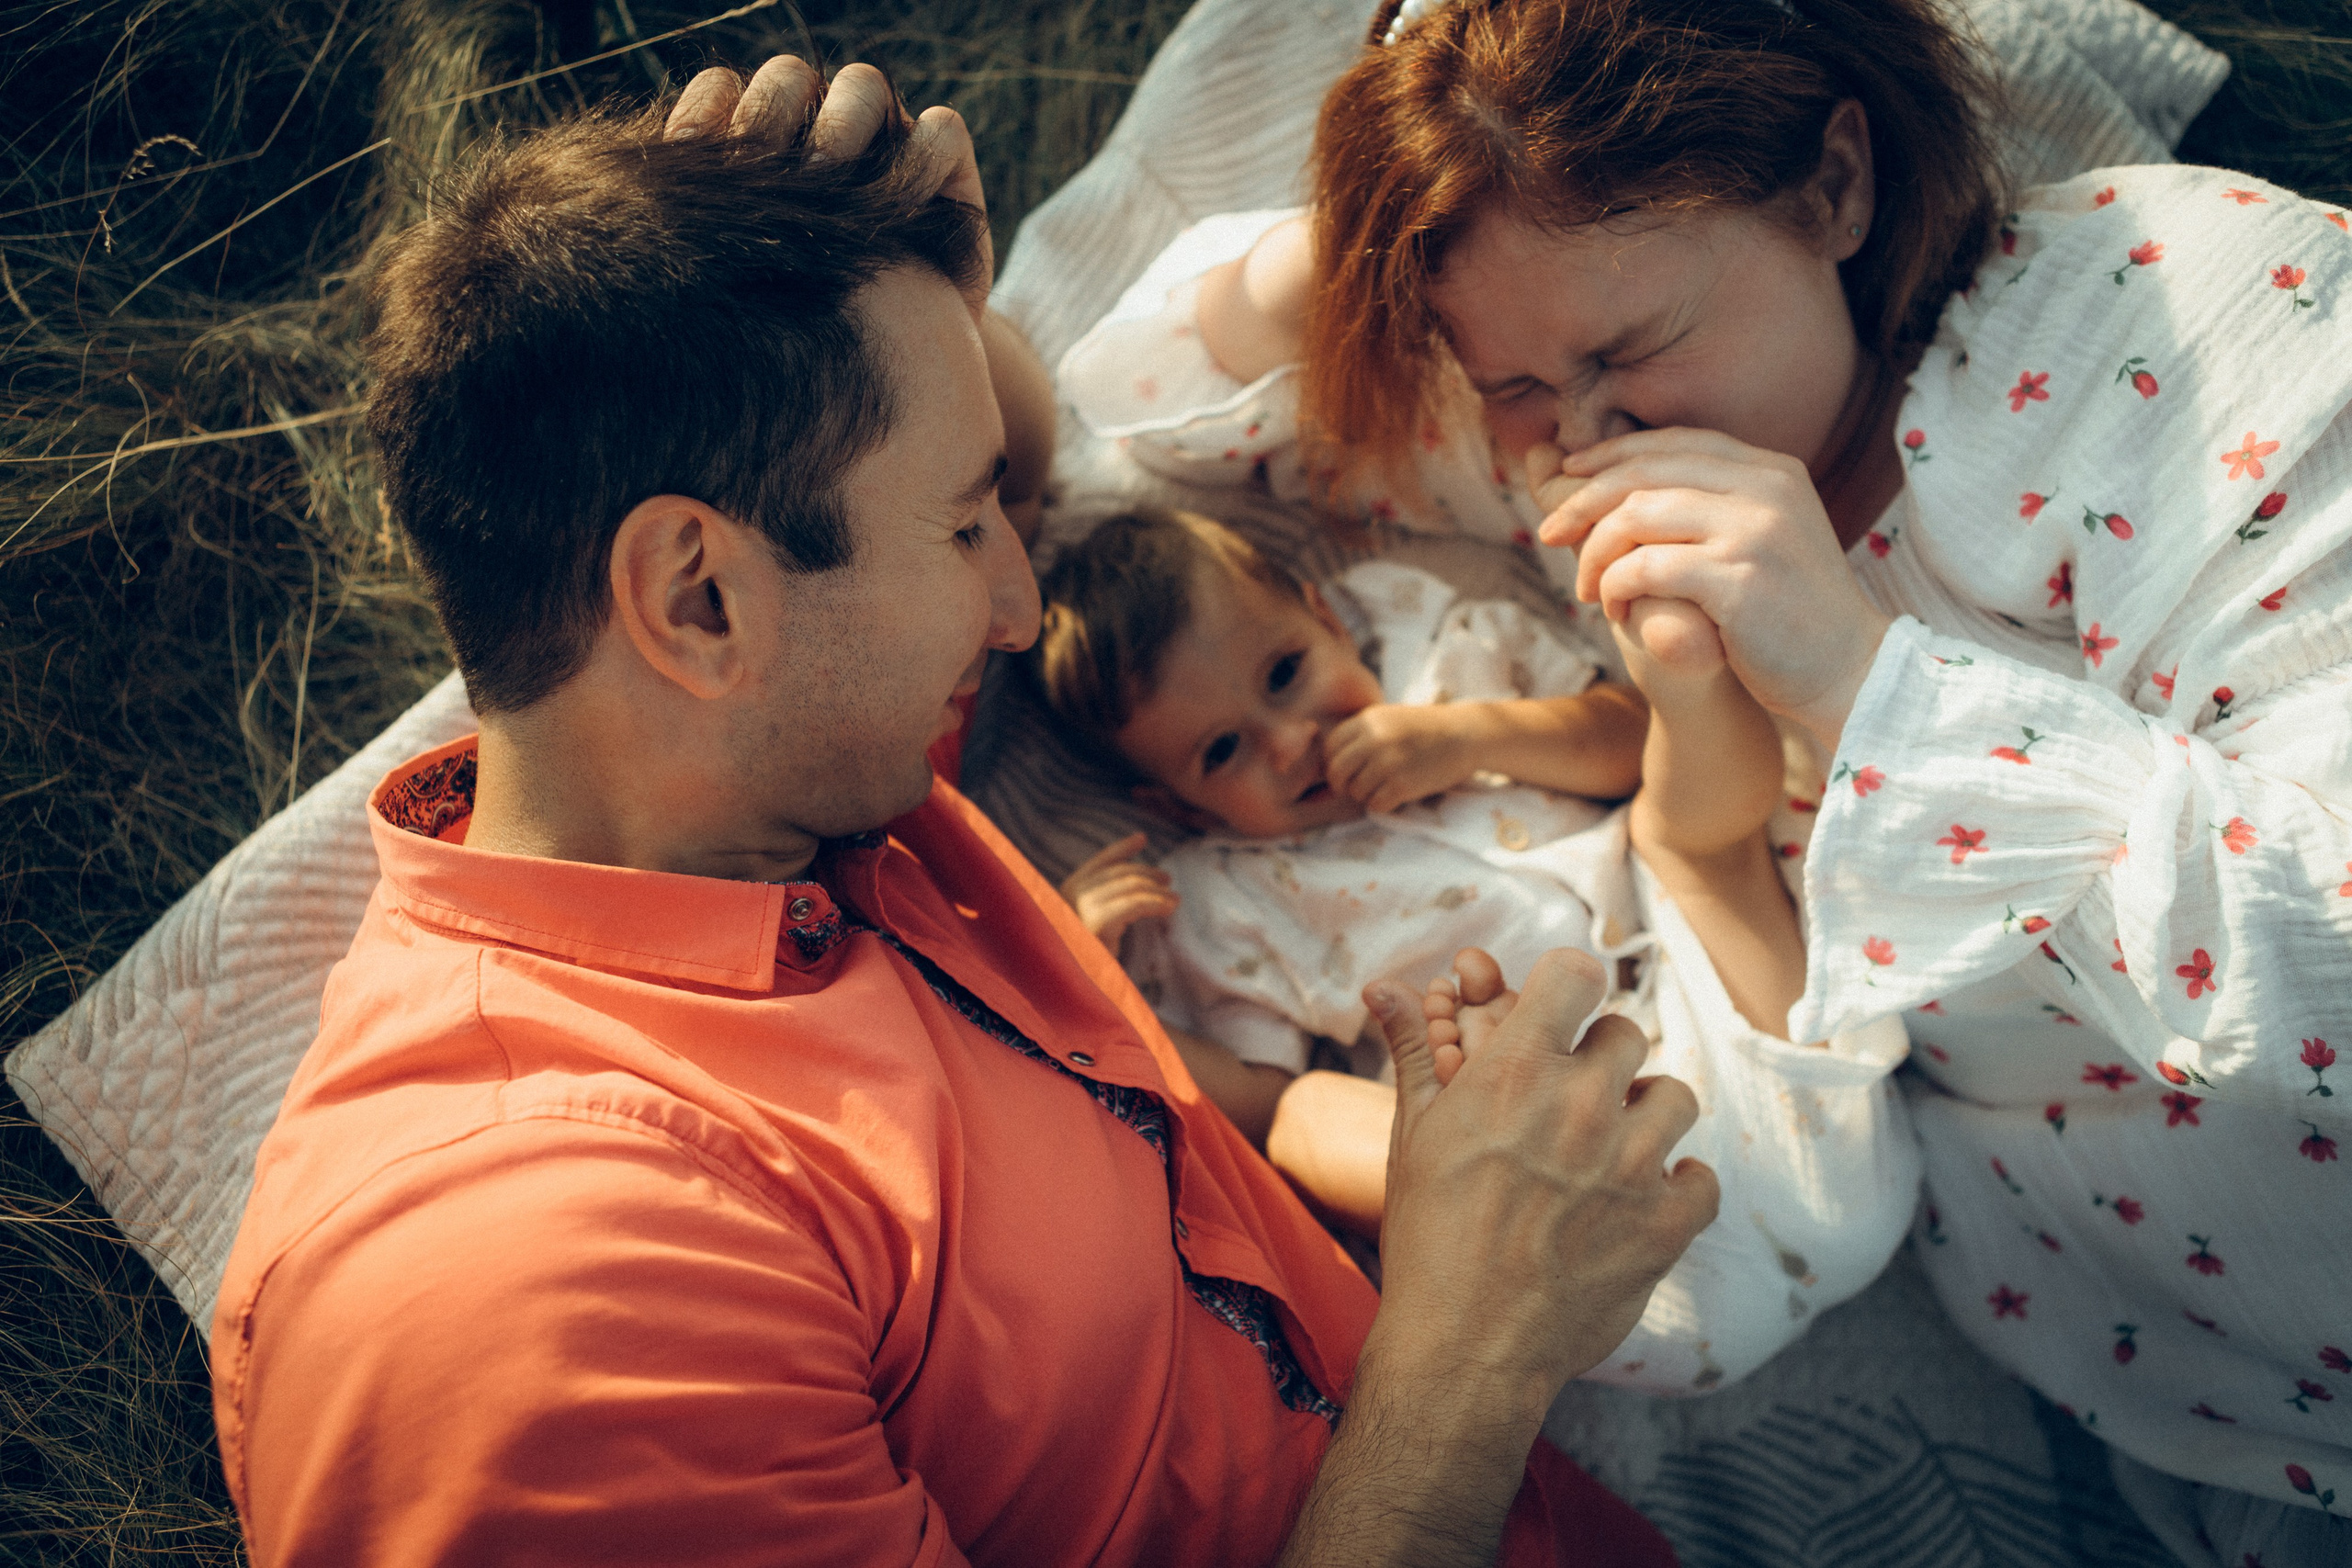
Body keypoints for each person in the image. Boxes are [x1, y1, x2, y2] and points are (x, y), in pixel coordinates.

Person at [207, 58, 1717, 1567]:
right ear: (697, 595)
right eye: (960, 520)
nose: (1014, 608)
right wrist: (1473, 1350)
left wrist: (941, 322)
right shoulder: (541, 1293)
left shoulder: (744, 767)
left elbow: (1035, 493)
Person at [1283, 0, 2352, 1561]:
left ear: (1834, 184)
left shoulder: (2173, 326)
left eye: (1630, 350)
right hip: (2204, 1450)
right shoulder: (1570, 485)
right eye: (1511, 388)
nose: (1583, 444)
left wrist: (1868, 685)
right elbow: (1176, 431)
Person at [1031, 504, 1917, 1393]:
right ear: (1182, 808)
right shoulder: (1228, 901)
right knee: (1299, 1116)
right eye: (1223, 751)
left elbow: (1621, 746)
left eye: (1286, 672)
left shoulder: (1455, 662)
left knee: (1684, 837)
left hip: (1758, 1070)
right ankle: (1474, 1172)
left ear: (1327, 618)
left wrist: (1471, 737)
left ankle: (1688, 684)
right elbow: (1252, 1104)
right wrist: (1095, 984)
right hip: (1570, 1232)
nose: (1290, 739)